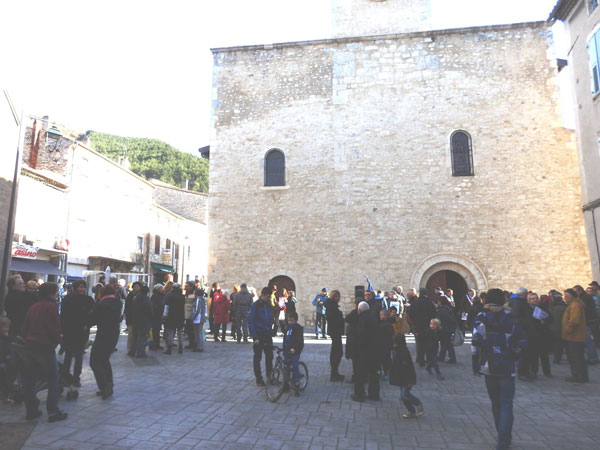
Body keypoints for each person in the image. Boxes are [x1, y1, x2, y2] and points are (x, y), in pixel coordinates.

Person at [472, 288, 527, 450]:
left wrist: (476, 365)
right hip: (507, 365)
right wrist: (514, 356)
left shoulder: (481, 318)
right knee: (506, 403)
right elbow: (522, 342)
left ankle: (502, 436)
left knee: (495, 403)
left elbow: (475, 343)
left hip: (488, 366)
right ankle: (504, 439)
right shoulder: (510, 318)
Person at [20, 282, 67, 422]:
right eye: (57, 291)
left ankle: (31, 410)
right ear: (52, 292)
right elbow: (53, 326)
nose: (58, 293)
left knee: (30, 379)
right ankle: (53, 411)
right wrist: (58, 340)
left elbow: (25, 326)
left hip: (30, 344)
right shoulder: (51, 306)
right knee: (53, 378)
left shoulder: (35, 306)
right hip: (44, 345)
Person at [88, 284, 122, 400]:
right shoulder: (118, 302)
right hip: (114, 334)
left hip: (103, 334)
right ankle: (109, 384)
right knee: (104, 360)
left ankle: (105, 386)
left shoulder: (101, 305)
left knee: (94, 361)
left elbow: (92, 319)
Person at [60, 280, 94, 387]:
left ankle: (76, 377)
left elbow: (92, 314)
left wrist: (87, 324)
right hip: (69, 330)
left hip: (82, 330)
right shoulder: (68, 299)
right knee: (68, 354)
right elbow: (63, 315)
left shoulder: (88, 300)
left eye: (83, 287)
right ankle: (65, 376)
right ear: (74, 288)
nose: (82, 289)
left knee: (79, 354)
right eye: (80, 287)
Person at [390, 333, 424, 419]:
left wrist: (409, 381)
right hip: (402, 377)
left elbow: (408, 368)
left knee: (405, 394)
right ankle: (411, 411)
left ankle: (418, 403)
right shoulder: (397, 350)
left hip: (407, 378)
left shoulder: (403, 352)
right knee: (403, 396)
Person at [352, 301, 380, 402]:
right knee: (374, 373)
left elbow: (360, 336)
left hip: (364, 351)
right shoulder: (373, 318)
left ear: (359, 310)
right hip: (374, 350)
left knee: (360, 374)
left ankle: (359, 395)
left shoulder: (362, 319)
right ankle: (374, 395)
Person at [248, 287, 274, 387]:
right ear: (262, 295)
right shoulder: (255, 306)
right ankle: (259, 379)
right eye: (268, 296)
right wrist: (254, 337)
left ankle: (270, 376)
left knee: (269, 356)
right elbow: (250, 321)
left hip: (267, 334)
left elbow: (270, 317)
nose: (269, 298)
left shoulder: (268, 305)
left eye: (270, 297)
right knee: (258, 358)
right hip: (259, 335)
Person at [508, 287, 534, 381]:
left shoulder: (519, 302)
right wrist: (527, 322)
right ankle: (523, 373)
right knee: (524, 353)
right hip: (523, 331)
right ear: (524, 294)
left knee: (526, 353)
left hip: (525, 330)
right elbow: (516, 317)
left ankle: (525, 372)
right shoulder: (518, 303)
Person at [562, 288, 588, 382]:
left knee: (576, 357)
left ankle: (579, 376)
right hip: (575, 336)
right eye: (564, 296)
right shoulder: (573, 305)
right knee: (578, 357)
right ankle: (580, 375)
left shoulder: (575, 306)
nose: (565, 298)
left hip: (574, 336)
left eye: (567, 296)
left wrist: (567, 330)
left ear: (572, 296)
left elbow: (574, 321)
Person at [407, 288, 436, 367]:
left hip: (418, 327)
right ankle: (429, 361)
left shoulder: (415, 302)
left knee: (420, 344)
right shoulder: (429, 303)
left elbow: (410, 315)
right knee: (428, 344)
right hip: (428, 326)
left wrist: (413, 324)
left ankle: (420, 360)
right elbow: (434, 314)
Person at [527, 292, 552, 378]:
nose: (535, 300)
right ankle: (534, 371)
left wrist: (545, 321)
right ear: (529, 300)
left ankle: (547, 372)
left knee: (544, 355)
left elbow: (551, 318)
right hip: (533, 335)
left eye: (536, 298)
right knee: (534, 355)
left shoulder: (543, 308)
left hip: (542, 334)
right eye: (532, 299)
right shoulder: (528, 309)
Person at [573, 285, 599, 364]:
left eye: (575, 291)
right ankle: (593, 357)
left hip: (587, 321)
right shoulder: (585, 297)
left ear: (579, 290)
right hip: (589, 320)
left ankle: (592, 358)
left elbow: (583, 310)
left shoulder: (584, 298)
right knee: (589, 341)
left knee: (589, 341)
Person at [324, 289, 345, 381]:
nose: (338, 298)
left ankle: (335, 373)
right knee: (337, 352)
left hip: (336, 331)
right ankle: (334, 374)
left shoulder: (332, 305)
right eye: (336, 296)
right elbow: (333, 318)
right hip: (335, 331)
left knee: (337, 352)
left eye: (338, 296)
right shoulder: (331, 306)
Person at [283, 312, 304, 396]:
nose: (290, 322)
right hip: (287, 350)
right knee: (286, 367)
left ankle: (297, 384)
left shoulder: (298, 329)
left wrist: (294, 348)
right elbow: (285, 339)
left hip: (295, 350)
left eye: (292, 320)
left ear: (296, 320)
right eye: (289, 320)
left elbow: (299, 340)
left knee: (294, 365)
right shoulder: (287, 328)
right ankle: (286, 384)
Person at [163, 284, 185, 354]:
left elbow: (167, 306)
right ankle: (180, 347)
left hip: (171, 315)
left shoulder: (170, 296)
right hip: (180, 316)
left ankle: (169, 348)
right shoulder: (182, 296)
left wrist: (164, 315)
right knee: (180, 332)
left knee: (171, 332)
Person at [435, 297, 457, 364]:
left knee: (447, 344)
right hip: (448, 328)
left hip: (445, 329)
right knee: (444, 343)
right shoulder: (448, 308)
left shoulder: (442, 310)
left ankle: (452, 358)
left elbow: (441, 319)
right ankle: (441, 357)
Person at [133, 285, 152, 358]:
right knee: (142, 337)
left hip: (136, 319)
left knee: (135, 336)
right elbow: (150, 310)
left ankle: (134, 351)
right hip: (144, 321)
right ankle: (141, 352)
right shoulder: (146, 299)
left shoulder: (136, 298)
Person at [548, 291, 567, 363]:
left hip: (554, 329)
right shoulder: (565, 307)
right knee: (566, 344)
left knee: (557, 345)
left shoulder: (551, 308)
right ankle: (569, 357)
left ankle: (557, 358)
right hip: (565, 328)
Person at [124, 281, 142, 356]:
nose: (136, 288)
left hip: (139, 319)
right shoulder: (130, 295)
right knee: (131, 335)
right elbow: (127, 307)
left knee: (138, 335)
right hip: (131, 319)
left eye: (138, 286)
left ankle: (137, 349)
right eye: (135, 286)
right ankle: (130, 350)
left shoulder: (142, 295)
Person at [377, 309, 394, 380]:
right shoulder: (378, 323)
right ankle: (378, 373)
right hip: (379, 346)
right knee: (378, 363)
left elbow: (391, 335)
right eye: (381, 315)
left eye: (384, 315)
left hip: (386, 346)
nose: (382, 316)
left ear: (387, 316)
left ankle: (387, 373)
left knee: (386, 362)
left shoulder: (389, 325)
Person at [345, 302, 359, 383]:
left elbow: (347, 319)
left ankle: (356, 377)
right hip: (357, 340)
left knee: (356, 361)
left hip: (354, 340)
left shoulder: (354, 312)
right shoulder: (367, 313)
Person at [149, 284, 165, 350]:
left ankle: (156, 344)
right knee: (155, 330)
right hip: (156, 316)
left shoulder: (160, 295)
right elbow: (154, 306)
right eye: (161, 288)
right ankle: (154, 344)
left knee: (157, 330)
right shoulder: (155, 296)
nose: (162, 289)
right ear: (157, 289)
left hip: (159, 315)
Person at [191, 288, 207, 352]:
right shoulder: (203, 299)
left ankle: (199, 347)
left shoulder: (198, 299)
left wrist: (193, 317)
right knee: (199, 332)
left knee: (197, 333)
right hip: (202, 317)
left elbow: (197, 310)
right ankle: (200, 346)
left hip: (198, 317)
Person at [183, 281, 197, 349]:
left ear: (191, 287)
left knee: (191, 330)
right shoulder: (187, 293)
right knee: (189, 330)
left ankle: (193, 343)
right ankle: (191, 343)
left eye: (187, 286)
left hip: (191, 315)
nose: (185, 287)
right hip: (187, 314)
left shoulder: (194, 294)